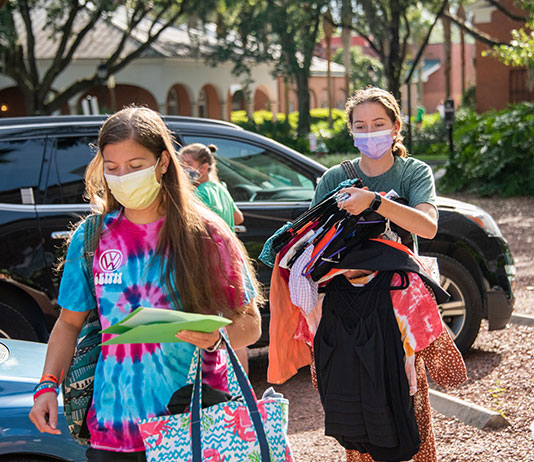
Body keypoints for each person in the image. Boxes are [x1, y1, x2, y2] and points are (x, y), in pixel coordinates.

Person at [29, 107, 262, 461]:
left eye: (136, 166)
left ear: (164, 162)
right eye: (112, 168)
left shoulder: (207, 235)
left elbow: (250, 326)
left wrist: (218, 336)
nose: (123, 177)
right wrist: (47, 386)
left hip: (193, 424)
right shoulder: (91, 238)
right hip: (112, 430)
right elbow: (68, 323)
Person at [310, 87, 466, 462]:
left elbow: (427, 227)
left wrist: (376, 202)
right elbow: (311, 246)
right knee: (357, 409)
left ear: (396, 127)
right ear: (350, 131)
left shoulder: (412, 172)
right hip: (348, 308)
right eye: (360, 126)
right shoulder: (334, 178)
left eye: (378, 124)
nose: (369, 133)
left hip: (396, 307)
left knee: (408, 403)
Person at [178, 143, 250, 373]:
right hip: (233, 266)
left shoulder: (198, 195)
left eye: (188, 165)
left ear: (205, 167)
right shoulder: (221, 189)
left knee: (212, 330)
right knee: (236, 325)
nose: (182, 170)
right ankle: (243, 383)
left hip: (211, 268)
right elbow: (238, 218)